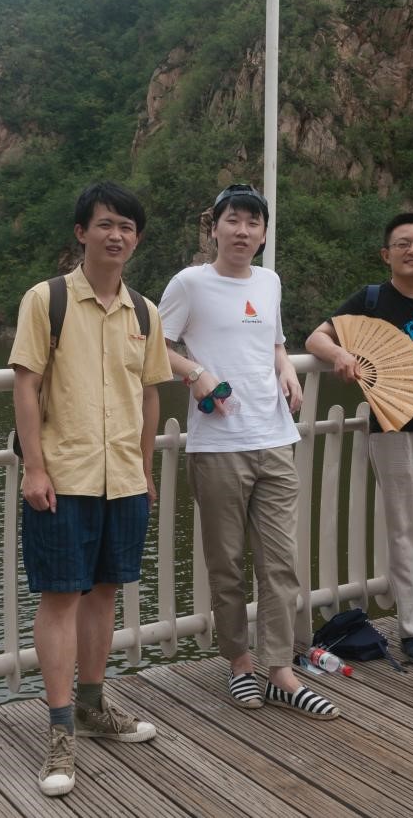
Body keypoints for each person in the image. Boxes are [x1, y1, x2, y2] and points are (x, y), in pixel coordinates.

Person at [9, 182, 172, 798]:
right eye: (105, 224)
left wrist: (145, 469)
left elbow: (150, 396)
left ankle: (93, 706)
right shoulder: (46, 300)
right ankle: (59, 730)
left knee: (104, 592)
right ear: (81, 233)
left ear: (137, 239)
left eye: (127, 227)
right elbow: (26, 384)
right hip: (64, 475)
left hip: (123, 477)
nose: (116, 235)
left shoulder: (145, 313)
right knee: (60, 598)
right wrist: (35, 468)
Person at [158, 184, 339, 720]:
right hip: (218, 445)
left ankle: (280, 672)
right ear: (213, 227)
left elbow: (274, 341)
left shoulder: (269, 280)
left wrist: (286, 367)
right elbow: (150, 347)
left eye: (252, 223)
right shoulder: (190, 283)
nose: (242, 231)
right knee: (227, 566)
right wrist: (195, 372)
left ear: (263, 234)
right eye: (232, 220)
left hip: (275, 439)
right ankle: (240, 664)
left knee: (281, 566)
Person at [306, 213, 413, 668]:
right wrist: (341, 354)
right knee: (404, 532)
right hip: (393, 428)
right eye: (403, 244)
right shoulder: (371, 300)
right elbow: (315, 338)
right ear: (387, 254)